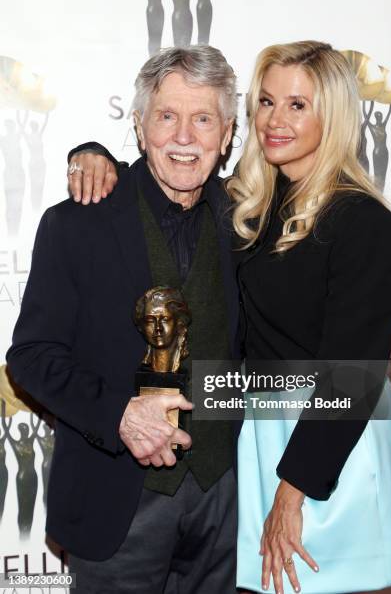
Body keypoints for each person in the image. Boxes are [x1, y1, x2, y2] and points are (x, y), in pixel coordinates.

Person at [71, 41, 391, 594]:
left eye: (298, 105)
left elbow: (354, 375)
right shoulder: (247, 206)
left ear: (333, 115)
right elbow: (165, 169)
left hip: (328, 452)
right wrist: (92, 154)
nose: (276, 120)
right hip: (257, 449)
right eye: (266, 101)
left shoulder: (361, 220)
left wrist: (293, 489)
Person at [7, 45, 240, 594]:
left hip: (224, 505)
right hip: (115, 503)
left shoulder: (247, 221)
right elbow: (32, 356)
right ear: (138, 127)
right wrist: (119, 415)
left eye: (203, 118)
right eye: (166, 116)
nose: (184, 136)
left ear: (227, 135)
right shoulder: (76, 225)